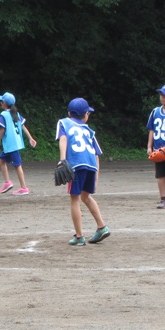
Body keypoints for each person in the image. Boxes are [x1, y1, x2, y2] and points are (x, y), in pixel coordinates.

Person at [56, 97, 110, 245]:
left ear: (69, 113)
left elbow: (63, 139)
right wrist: (96, 177)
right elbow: (96, 154)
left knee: (75, 199)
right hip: (91, 165)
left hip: (77, 164)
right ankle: (102, 226)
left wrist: (62, 159)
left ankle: (79, 236)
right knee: (86, 196)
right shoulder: (89, 130)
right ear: (85, 115)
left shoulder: (64, 123)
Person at [0, 92, 37, 195]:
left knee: (17, 165)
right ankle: (7, 182)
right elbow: (22, 126)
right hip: (14, 144)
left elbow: (2, 130)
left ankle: (23, 187)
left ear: (4, 103)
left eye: (1, 101)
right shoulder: (15, 114)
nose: (0, 103)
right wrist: (30, 137)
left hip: (11, 144)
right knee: (0, 160)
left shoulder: (4, 115)